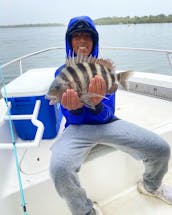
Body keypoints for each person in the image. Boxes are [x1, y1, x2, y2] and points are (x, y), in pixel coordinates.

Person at [50, 16, 172, 215]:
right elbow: (70, 118)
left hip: (107, 124)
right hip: (76, 129)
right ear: (69, 41)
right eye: (77, 36)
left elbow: (108, 113)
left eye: (87, 37)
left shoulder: (101, 70)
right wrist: (76, 109)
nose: (82, 41)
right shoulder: (61, 73)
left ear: (94, 41)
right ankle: (85, 211)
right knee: (59, 169)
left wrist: (96, 105)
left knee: (161, 148)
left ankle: (151, 186)